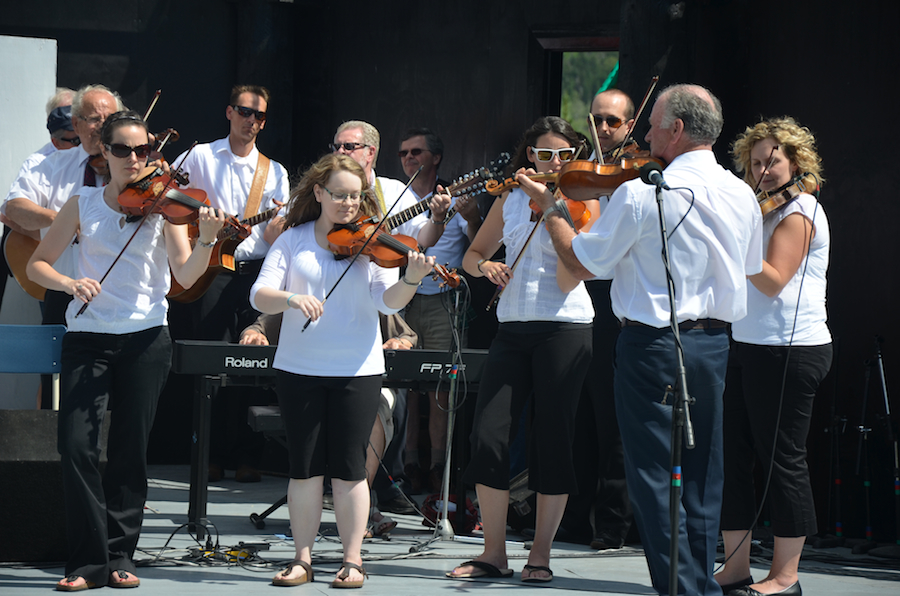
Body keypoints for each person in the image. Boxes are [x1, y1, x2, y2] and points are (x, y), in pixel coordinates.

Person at [520, 85, 763, 595]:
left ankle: (684, 590)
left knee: (655, 477)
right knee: (701, 474)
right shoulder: (741, 192)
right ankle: (698, 586)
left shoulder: (639, 191)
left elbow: (584, 262)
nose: (643, 134)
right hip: (714, 344)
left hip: (652, 346)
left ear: (676, 130)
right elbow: (747, 268)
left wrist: (553, 210)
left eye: (652, 124)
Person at [25, 110, 227, 591]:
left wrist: (209, 242)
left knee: (129, 453)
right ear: (105, 154)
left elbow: (184, 274)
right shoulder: (82, 203)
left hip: (145, 339)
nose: (135, 160)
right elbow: (37, 265)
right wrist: (70, 282)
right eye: (123, 150)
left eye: (143, 151)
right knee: (74, 446)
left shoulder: (165, 206)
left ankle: (119, 556)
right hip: (87, 339)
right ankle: (87, 561)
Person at [251, 153, 435, 588]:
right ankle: (302, 558)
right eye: (340, 196)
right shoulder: (293, 240)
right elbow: (260, 294)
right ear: (318, 193)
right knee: (305, 467)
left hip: (358, 369)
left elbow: (386, 303)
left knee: (351, 468)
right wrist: (292, 300)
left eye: (356, 197)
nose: (349, 205)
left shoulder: (372, 245)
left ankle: (352, 559)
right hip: (299, 368)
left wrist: (410, 278)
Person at [447, 116, 600, 583]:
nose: (553, 163)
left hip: (565, 326)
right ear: (529, 156)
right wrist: (487, 268)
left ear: (574, 158)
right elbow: (473, 256)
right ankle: (493, 553)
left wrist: (553, 206)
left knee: (552, 439)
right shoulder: (510, 198)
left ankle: (540, 554)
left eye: (563, 156)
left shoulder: (583, 199)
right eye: (544, 154)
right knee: (488, 436)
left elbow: (578, 270)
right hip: (512, 327)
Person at [715, 117, 831, 596]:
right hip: (746, 345)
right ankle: (735, 567)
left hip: (790, 349)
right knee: (733, 459)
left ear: (796, 162)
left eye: (772, 161)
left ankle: (785, 577)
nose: (763, 170)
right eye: (755, 162)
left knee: (783, 460)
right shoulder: (755, 211)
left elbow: (772, 278)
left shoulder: (801, 209)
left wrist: (729, 243)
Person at [170, 84, 290, 482]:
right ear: (228, 112)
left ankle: (248, 456)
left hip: (257, 270)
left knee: (255, 363)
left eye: (258, 116)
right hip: (210, 270)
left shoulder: (274, 172)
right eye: (244, 111)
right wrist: (199, 225)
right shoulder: (200, 155)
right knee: (210, 363)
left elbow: (282, 228)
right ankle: (208, 453)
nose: (251, 121)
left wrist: (277, 233)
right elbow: (168, 197)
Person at [239, 309, 419, 537]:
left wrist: (400, 340)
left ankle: (360, 510)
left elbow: (406, 334)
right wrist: (256, 334)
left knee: (372, 411)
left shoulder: (366, 289)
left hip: (363, 382)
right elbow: (260, 326)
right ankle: (310, 513)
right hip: (312, 381)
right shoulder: (305, 292)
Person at [3, 85, 124, 409]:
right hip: (63, 288)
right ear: (77, 124)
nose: (101, 125)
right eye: (93, 119)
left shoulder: (129, 166)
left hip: (115, 292)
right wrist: (64, 220)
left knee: (112, 386)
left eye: (109, 118)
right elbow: (13, 209)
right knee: (55, 377)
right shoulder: (52, 163)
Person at [561, 87, 637, 550]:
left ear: (630, 126)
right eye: (598, 120)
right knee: (576, 415)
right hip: (576, 295)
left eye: (613, 121)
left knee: (610, 418)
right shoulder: (579, 169)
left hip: (612, 299)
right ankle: (571, 519)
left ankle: (613, 525)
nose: (604, 129)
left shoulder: (637, 175)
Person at [398, 128, 483, 495]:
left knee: (439, 389)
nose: (409, 158)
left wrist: (474, 214)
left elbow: (480, 243)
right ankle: (406, 466)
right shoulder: (393, 196)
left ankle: (437, 469)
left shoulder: (455, 194)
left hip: (440, 300)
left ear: (436, 158)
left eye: (417, 152)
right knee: (403, 388)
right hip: (400, 301)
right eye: (403, 153)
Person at [1, 88, 77, 310]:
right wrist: (63, 224)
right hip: (58, 274)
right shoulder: (40, 162)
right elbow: (10, 214)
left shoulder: (101, 156)